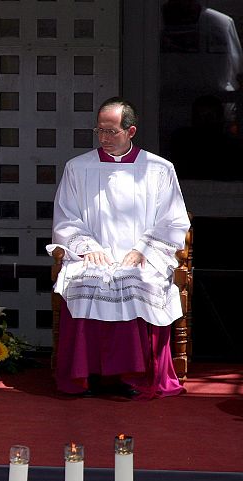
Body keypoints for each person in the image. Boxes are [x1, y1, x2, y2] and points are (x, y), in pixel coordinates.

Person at [47, 97, 190, 399]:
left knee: (136, 281)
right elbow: (66, 217)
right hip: (94, 255)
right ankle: (85, 376)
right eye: (99, 131)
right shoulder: (78, 168)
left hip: (139, 256)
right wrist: (86, 248)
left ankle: (132, 377)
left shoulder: (159, 169)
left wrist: (145, 250)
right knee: (86, 281)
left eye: (111, 132)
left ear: (131, 130)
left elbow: (173, 220)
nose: (104, 138)